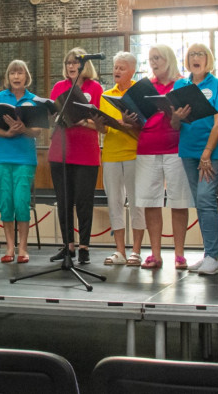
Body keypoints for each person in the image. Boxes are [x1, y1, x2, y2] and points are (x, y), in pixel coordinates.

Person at [171, 43, 218, 275]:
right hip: (188, 151)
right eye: (192, 54)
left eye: (200, 54)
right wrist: (176, 117)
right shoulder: (180, 85)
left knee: (206, 199)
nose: (196, 57)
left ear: (208, 59)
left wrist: (207, 153)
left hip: (211, 152)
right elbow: (174, 125)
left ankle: (213, 257)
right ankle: (208, 256)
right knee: (200, 202)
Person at [134, 44, 190, 270]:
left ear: (168, 59)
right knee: (150, 202)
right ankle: (155, 254)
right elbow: (139, 119)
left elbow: (191, 118)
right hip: (147, 147)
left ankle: (179, 254)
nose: (154, 62)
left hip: (176, 148)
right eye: (150, 59)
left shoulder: (182, 84)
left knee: (179, 201)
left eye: (157, 58)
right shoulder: (145, 87)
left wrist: (177, 117)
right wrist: (131, 118)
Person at [48, 47, 103, 265]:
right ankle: (68, 246)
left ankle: (84, 247)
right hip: (60, 150)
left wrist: (82, 121)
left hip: (86, 152)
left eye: (76, 62)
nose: (72, 66)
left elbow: (100, 123)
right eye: (68, 62)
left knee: (83, 201)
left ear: (85, 65)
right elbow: (53, 115)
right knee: (64, 201)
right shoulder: (60, 87)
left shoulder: (95, 88)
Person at [0, 60, 41, 264]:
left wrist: (23, 130)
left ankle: (23, 248)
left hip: (24, 158)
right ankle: (9, 246)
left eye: (20, 73)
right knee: (6, 202)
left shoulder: (33, 100)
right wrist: (8, 133)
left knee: (21, 202)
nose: (16, 77)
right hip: (1, 156)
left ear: (26, 77)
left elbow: (38, 130)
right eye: (12, 73)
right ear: (8, 77)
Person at [98, 52, 145, 267]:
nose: (117, 71)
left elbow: (145, 125)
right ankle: (119, 251)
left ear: (132, 71)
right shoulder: (106, 95)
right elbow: (102, 128)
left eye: (122, 68)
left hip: (136, 153)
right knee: (114, 202)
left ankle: (136, 251)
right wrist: (102, 122)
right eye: (115, 67)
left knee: (137, 202)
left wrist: (128, 123)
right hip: (111, 155)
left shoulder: (139, 94)